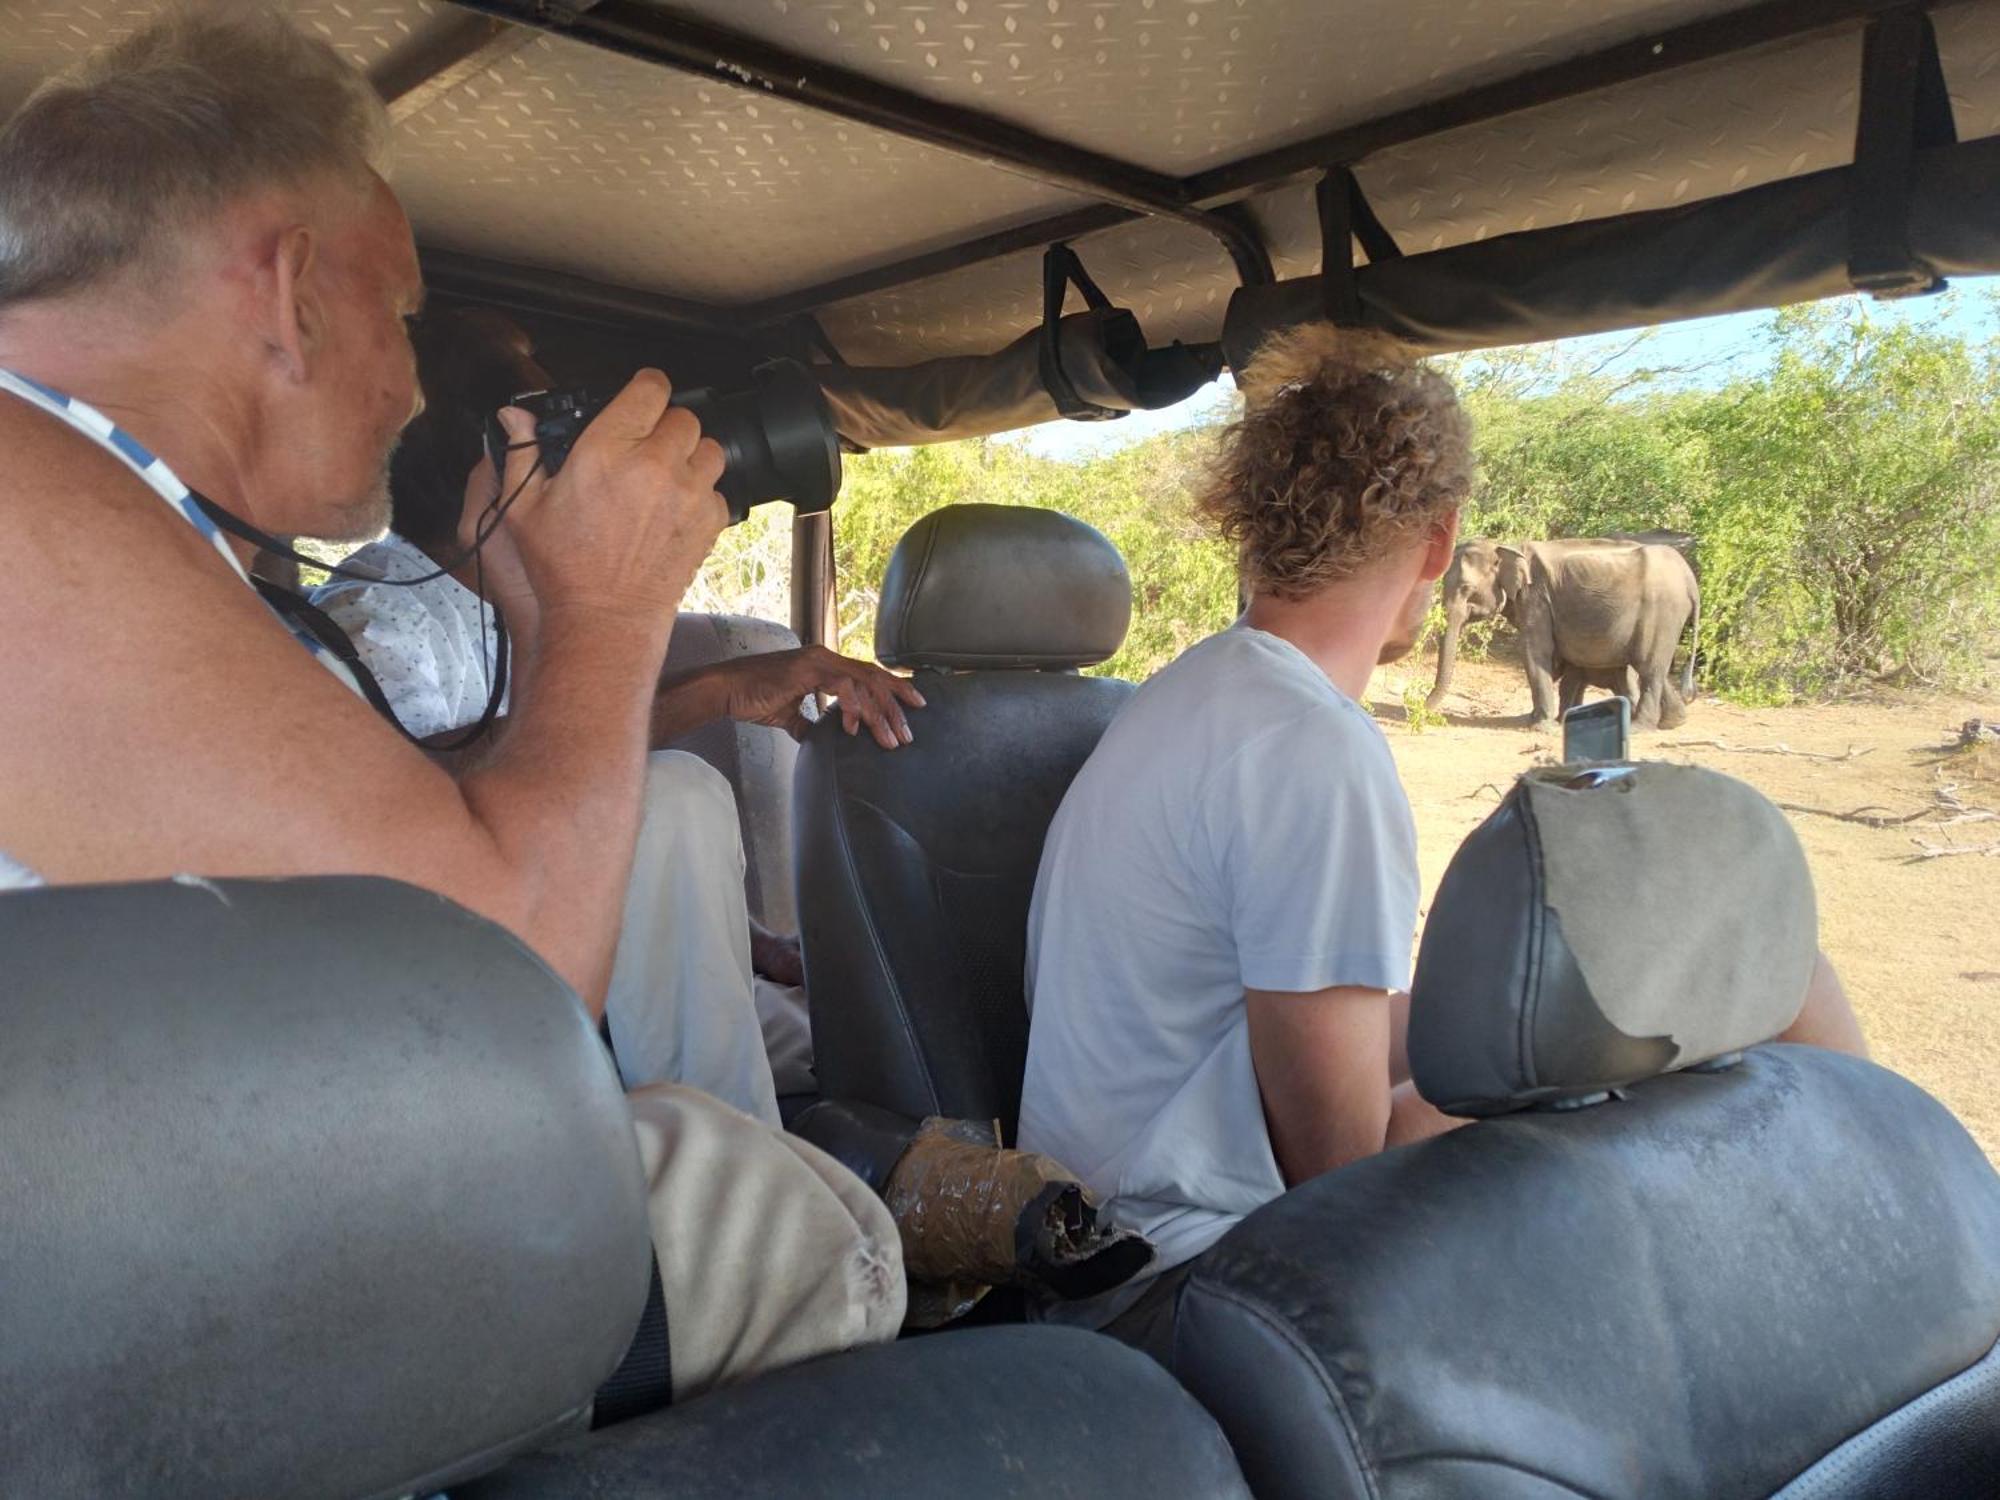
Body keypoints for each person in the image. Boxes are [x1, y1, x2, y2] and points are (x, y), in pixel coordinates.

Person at [0, 9, 900, 1398]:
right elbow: (494, 1011)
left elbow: (408, 857)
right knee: (802, 1232)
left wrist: (558, 642)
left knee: (724, 1162)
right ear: (287, 288)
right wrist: (610, 614)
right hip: (127, 1334)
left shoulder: (91, 507)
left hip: (160, 1230)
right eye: (403, 312)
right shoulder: (27, 508)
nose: (417, 383)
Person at [1014, 325, 1870, 1356]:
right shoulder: (1308, 749)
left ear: (1250, 525)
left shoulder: (1190, 694)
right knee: (1741, 1000)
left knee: (1742, 970)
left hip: (1105, 1232)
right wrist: (1575, 1064)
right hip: (1176, 1277)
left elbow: (1317, 1037)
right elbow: (1341, 1169)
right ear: (1439, 539)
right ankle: (1897, 1250)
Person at [311, 306, 920, 1117]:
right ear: (496, 467)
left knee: (853, 1051)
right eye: (562, 436)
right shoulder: (377, 622)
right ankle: (734, 1188)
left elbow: (573, 786)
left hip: (581, 966)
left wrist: (740, 938)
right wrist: (718, 690)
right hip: (468, 994)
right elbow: (474, 796)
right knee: (677, 794)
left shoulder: (520, 592)